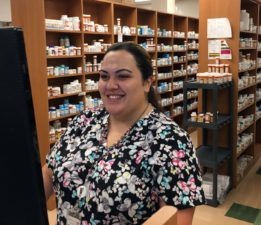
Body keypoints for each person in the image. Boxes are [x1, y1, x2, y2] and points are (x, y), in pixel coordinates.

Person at [43, 42, 205, 225]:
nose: (110, 85)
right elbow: (49, 174)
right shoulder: (84, 121)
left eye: (123, 76)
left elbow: (174, 219)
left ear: (147, 82)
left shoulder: (172, 142)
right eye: (104, 76)